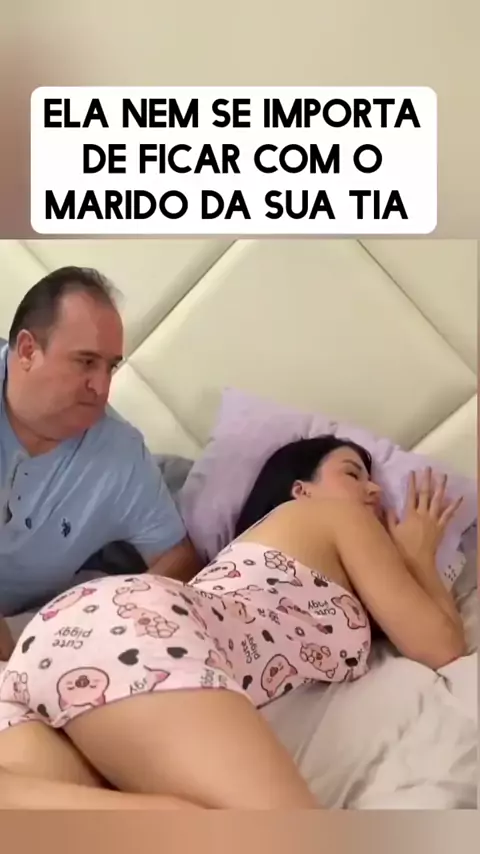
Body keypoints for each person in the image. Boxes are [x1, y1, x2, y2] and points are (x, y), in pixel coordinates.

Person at [0, 436, 466, 810]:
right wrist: (419, 555)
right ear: (301, 490)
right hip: (136, 631)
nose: (375, 490)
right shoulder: (333, 515)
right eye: (353, 473)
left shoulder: (258, 560)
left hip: (57, 643)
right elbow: (440, 646)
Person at [0, 267, 201, 660]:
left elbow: (179, 559)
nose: (103, 387)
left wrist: (109, 620)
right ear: (26, 351)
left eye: (110, 366)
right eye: (86, 362)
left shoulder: (120, 458)